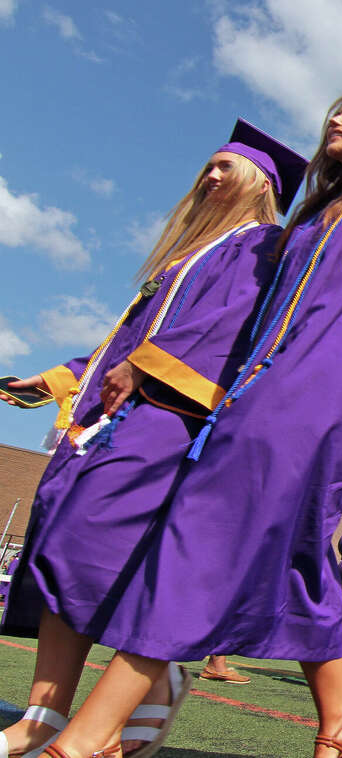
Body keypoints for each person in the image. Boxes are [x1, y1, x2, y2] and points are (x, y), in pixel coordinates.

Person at [0, 120, 305, 758]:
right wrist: (55, 379)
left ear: (259, 182)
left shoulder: (262, 247)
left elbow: (227, 331)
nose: (210, 175)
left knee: (87, 543)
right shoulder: (181, 259)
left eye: (226, 167)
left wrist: (146, 365)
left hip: (169, 418)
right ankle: (48, 713)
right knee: (57, 542)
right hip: (106, 419)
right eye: (209, 167)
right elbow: (118, 345)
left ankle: (143, 678)